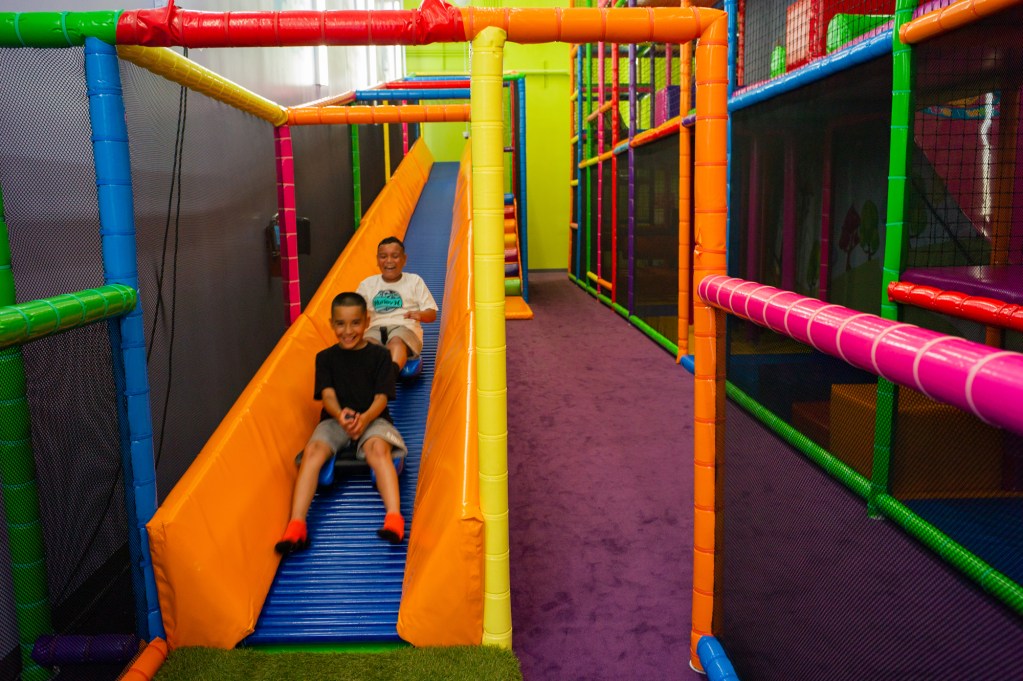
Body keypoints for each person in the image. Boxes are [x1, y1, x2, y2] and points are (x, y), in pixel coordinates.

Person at [275, 291, 407, 554]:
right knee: (312, 451)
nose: (348, 331)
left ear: (367, 321)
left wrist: (365, 418)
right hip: (337, 420)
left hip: (374, 417)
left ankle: (394, 517)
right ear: (331, 324)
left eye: (355, 323)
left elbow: (382, 398)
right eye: (341, 324)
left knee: (377, 450)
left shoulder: (379, 356)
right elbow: (328, 395)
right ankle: (297, 524)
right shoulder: (325, 358)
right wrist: (340, 416)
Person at [357, 236, 438, 381]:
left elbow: (431, 314)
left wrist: (419, 314)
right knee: (368, 344)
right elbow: (356, 312)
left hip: (404, 327)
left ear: (404, 259)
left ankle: (390, 375)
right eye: (383, 256)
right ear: (377, 260)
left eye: (395, 256)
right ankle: (371, 374)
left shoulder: (414, 281)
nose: (389, 261)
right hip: (376, 328)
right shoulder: (367, 284)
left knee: (396, 340)